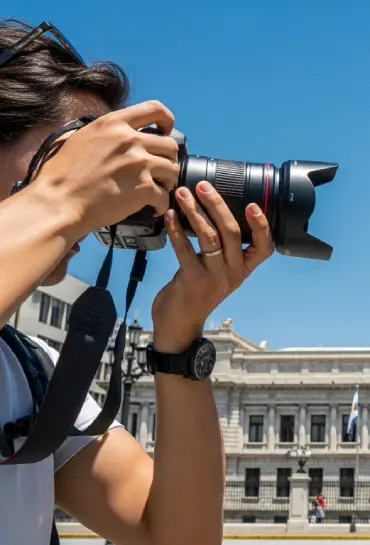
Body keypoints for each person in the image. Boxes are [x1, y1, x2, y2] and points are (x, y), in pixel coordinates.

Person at [0, 19, 274, 545]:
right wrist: (62, 200)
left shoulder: (31, 374)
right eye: (77, 153)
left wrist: (178, 344)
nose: (111, 189)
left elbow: (176, 537)